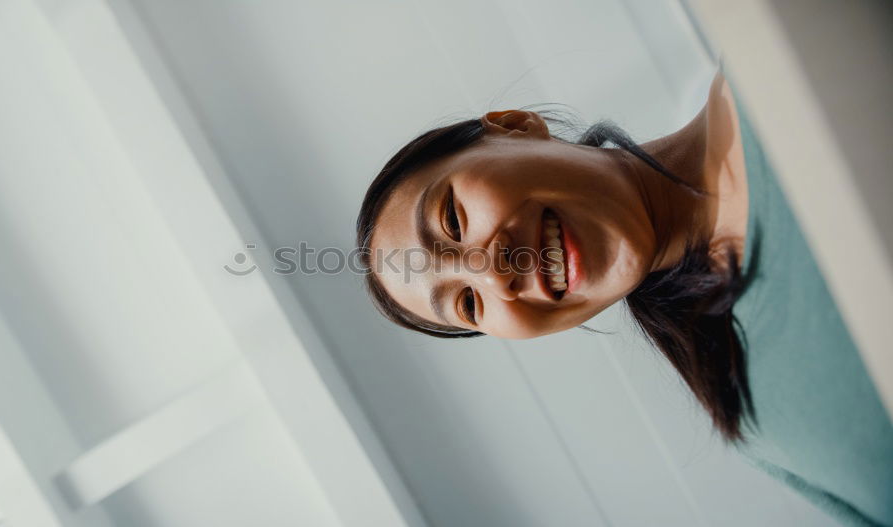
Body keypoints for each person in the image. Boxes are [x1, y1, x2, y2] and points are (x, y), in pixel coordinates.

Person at [355, 71, 893, 526]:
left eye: (451, 219)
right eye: (468, 304)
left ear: (517, 127)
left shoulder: (779, 63)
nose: (495, 272)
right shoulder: (760, 425)